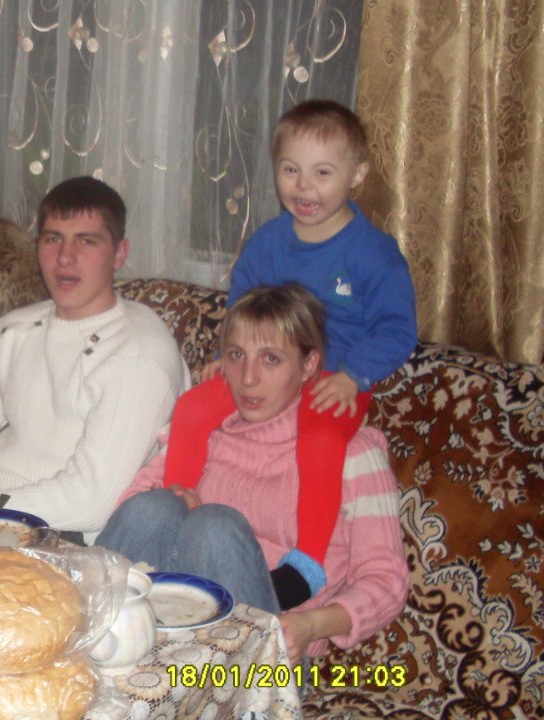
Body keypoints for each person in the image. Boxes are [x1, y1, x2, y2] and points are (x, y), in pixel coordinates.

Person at [167, 99, 417, 605]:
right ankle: (175, 503)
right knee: (192, 406)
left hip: (334, 379)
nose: (304, 187)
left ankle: (307, 565)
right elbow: (242, 302)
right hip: (266, 371)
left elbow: (397, 329)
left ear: (357, 174)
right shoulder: (268, 241)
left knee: (321, 441)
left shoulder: (373, 253)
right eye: (290, 170)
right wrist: (232, 354)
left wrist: (353, 375)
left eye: (322, 173)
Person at [97, 284, 407, 663]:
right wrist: (176, 498)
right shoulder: (204, 431)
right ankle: (84, 641)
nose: (248, 378)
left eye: (271, 359)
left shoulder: (352, 453)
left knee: (214, 526)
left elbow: (386, 582)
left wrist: (312, 625)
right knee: (156, 506)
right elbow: (132, 517)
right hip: (171, 630)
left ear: (308, 365)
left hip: (266, 658)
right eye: (236, 355)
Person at [0, 176, 189, 540]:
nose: (65, 258)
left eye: (87, 241)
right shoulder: (17, 328)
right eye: (53, 238)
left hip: (65, 537)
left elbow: (90, 500)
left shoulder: (139, 354)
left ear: (120, 253)